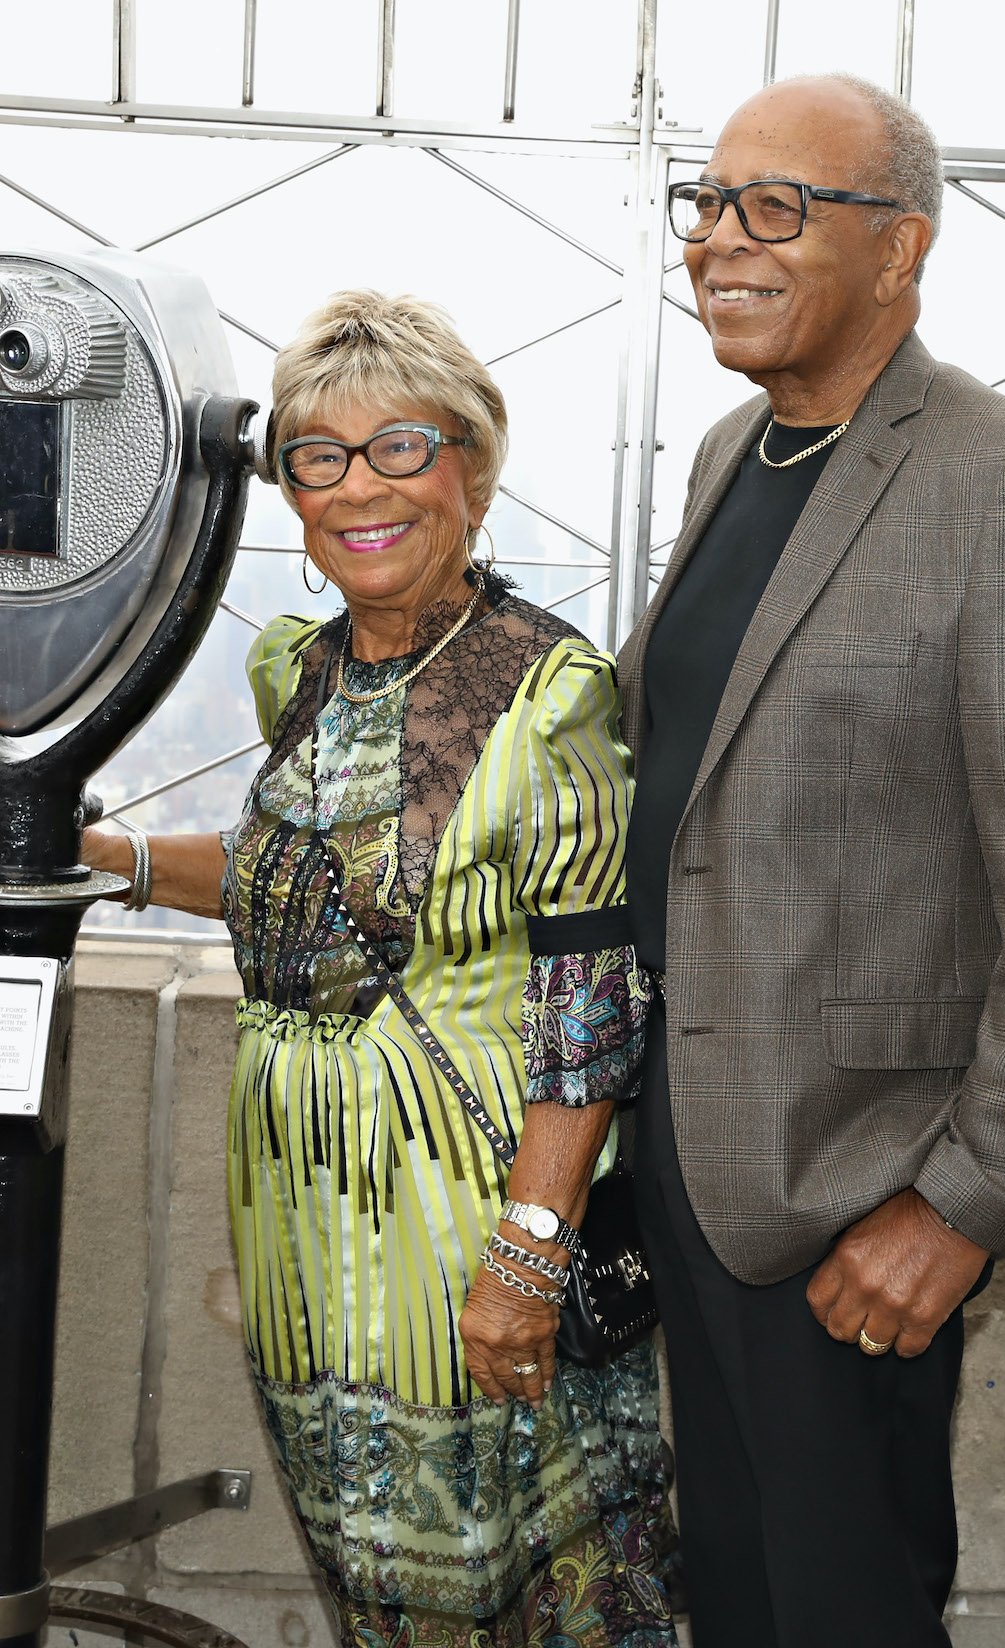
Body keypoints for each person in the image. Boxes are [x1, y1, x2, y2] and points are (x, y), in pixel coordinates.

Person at [619, 73, 1005, 1647]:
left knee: (837, 1609)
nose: (722, 240)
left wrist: (964, 1204)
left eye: (774, 207)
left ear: (899, 249)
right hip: (690, 1164)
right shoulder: (734, 449)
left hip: (854, 1198)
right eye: (708, 205)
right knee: (734, 1593)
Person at [85, 291, 678, 1648]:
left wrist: (527, 1256)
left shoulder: (550, 693)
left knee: (503, 1562)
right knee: (365, 1553)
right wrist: (104, 853)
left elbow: (590, 1005)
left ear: (472, 465)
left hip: (460, 1194)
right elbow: (297, 890)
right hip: (296, 1190)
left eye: (400, 446)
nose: (359, 487)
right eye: (318, 454)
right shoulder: (294, 664)